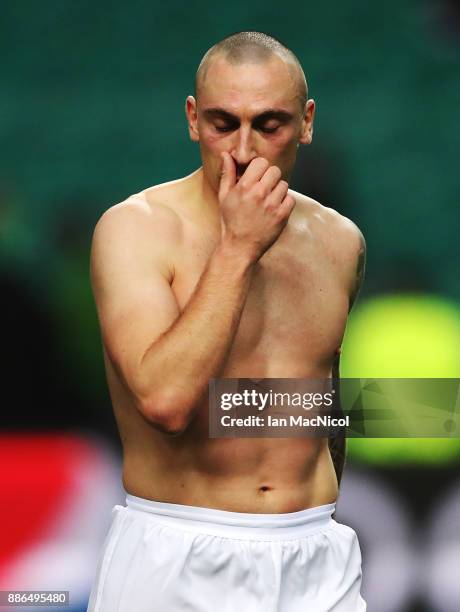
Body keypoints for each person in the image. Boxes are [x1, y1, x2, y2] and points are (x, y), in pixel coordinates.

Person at [88, 31, 366, 612]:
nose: (241, 150)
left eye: (269, 125)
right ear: (192, 119)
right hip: (178, 550)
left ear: (307, 121)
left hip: (317, 554)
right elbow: (166, 402)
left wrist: (431, 411)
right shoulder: (133, 229)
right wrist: (238, 248)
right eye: (222, 124)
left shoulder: (339, 241)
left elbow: (320, 398)